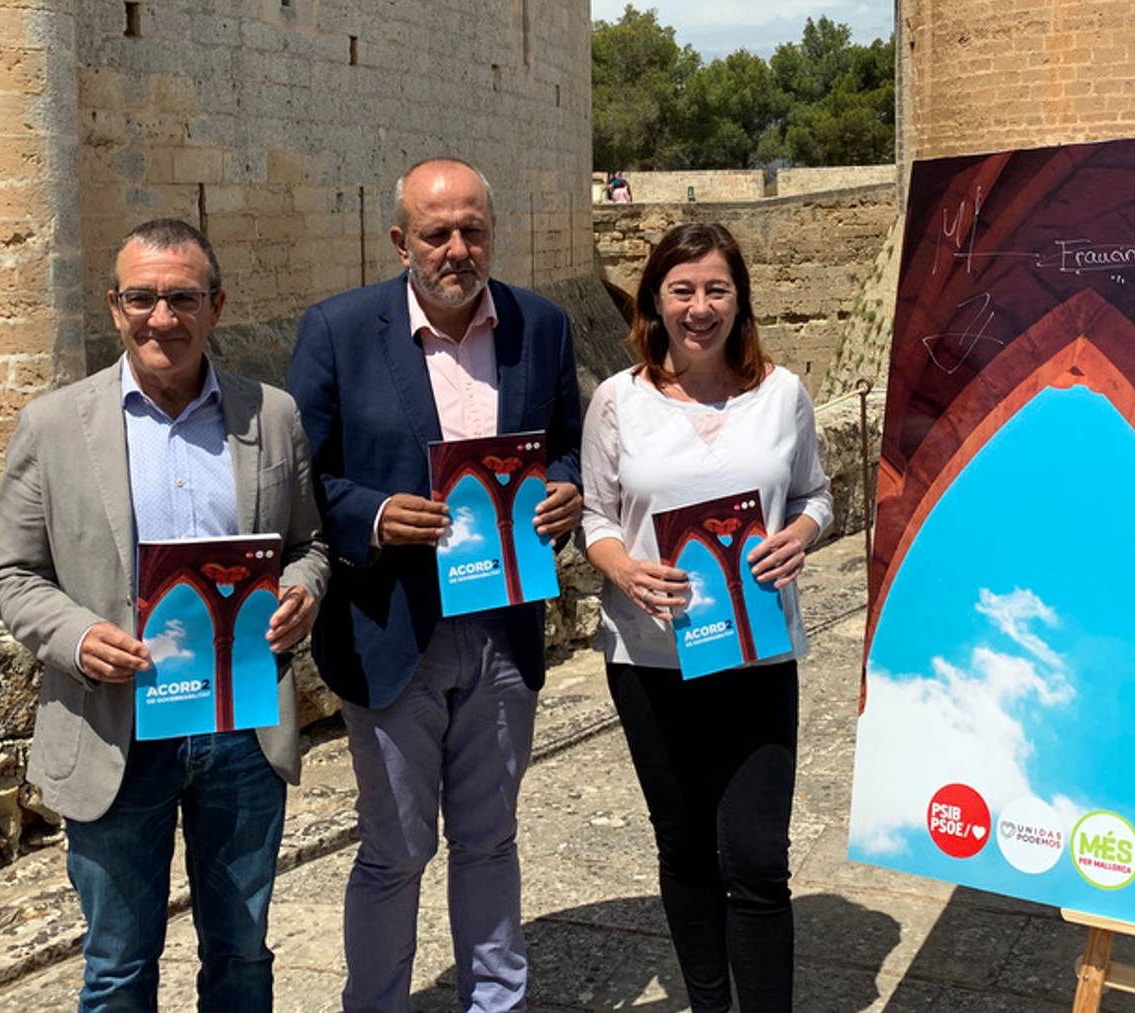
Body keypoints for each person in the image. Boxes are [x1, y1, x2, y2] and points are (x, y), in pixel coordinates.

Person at [0, 218, 329, 1012]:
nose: (161, 318)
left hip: (240, 730)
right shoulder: (53, 425)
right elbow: (10, 573)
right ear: (113, 306)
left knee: (241, 955)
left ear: (216, 305)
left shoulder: (271, 415)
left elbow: (308, 545)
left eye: (181, 297)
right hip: (114, 729)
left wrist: (305, 591)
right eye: (141, 297)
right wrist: (75, 637)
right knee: (116, 967)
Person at [286, 157, 584, 1013]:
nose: (458, 249)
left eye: (473, 230)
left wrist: (562, 488)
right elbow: (301, 475)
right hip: (392, 630)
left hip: (501, 625)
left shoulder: (546, 325)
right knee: (394, 848)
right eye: (437, 233)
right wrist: (376, 517)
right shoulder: (338, 330)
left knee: (490, 840)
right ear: (399, 240)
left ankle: (498, 1001)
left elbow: (562, 440)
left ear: (493, 232)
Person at [579, 222, 833, 1013]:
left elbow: (815, 495)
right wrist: (622, 566)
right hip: (651, 660)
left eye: (716, 288)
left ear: (740, 299)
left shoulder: (782, 393)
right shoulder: (618, 400)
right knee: (685, 849)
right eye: (682, 289)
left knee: (757, 858)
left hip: (757, 656)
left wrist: (801, 535)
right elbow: (595, 516)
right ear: (655, 300)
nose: (699, 307)